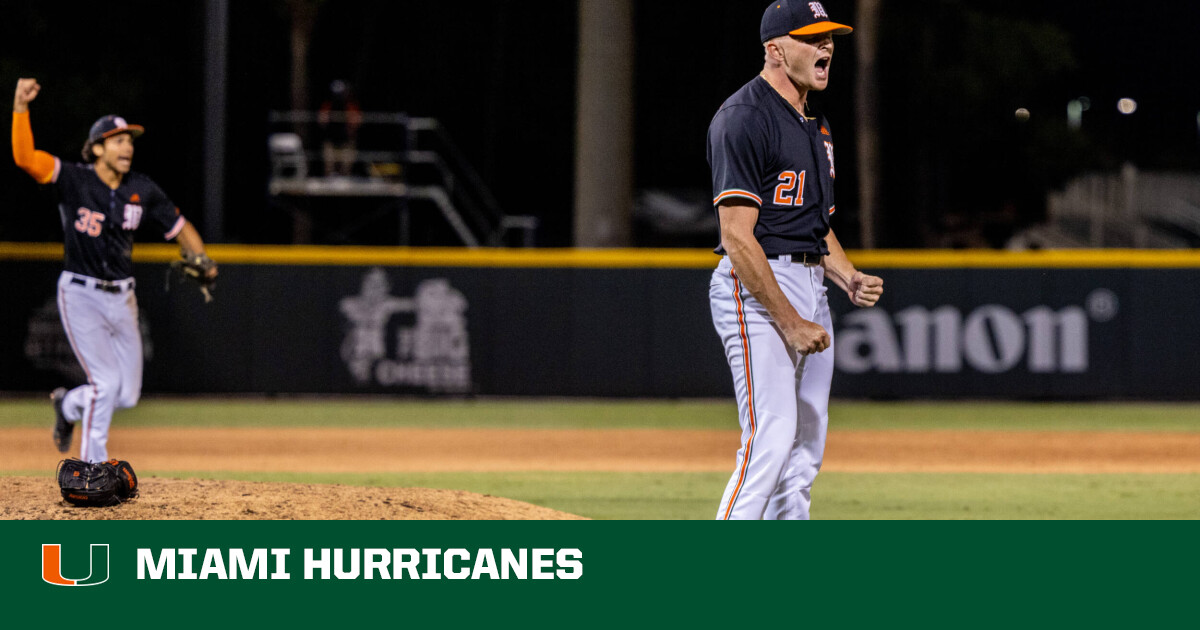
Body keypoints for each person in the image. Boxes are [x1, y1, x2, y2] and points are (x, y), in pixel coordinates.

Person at [707, 1, 884, 520]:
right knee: (772, 434)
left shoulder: (815, 125)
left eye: (828, 36)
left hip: (809, 280)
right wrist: (788, 320)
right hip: (758, 289)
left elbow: (813, 223)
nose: (825, 45)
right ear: (775, 50)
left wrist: (847, 275)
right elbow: (737, 237)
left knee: (805, 449)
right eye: (811, 37)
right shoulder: (744, 118)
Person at [11, 77, 218, 463]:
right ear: (99, 147)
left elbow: (180, 226)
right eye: (119, 139)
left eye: (130, 141)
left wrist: (202, 258)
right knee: (105, 384)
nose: (128, 146)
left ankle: (67, 405)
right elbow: (26, 159)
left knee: (126, 394)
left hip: (123, 298)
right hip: (81, 293)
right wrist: (21, 108)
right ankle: (92, 471)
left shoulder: (141, 189)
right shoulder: (73, 179)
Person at [317, 79, 362, 176]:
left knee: (345, 167)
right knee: (329, 167)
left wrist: (350, 126)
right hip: (331, 139)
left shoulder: (351, 106)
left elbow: (357, 122)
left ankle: (345, 182)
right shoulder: (327, 106)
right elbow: (321, 121)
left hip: (346, 141)